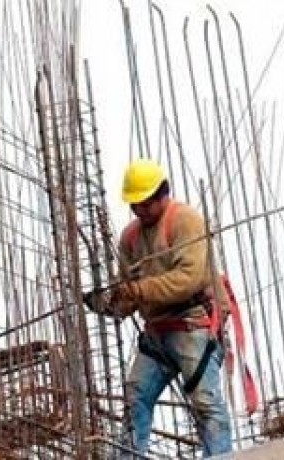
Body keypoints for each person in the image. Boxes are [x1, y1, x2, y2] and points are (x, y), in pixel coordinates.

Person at [108, 159, 232, 457]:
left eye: (144, 204)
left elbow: (188, 280)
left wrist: (138, 290)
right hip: (157, 331)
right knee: (135, 397)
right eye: (134, 205)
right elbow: (128, 292)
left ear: (162, 195)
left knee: (206, 403)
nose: (139, 210)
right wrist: (113, 301)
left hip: (192, 323)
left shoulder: (185, 221)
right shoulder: (130, 237)